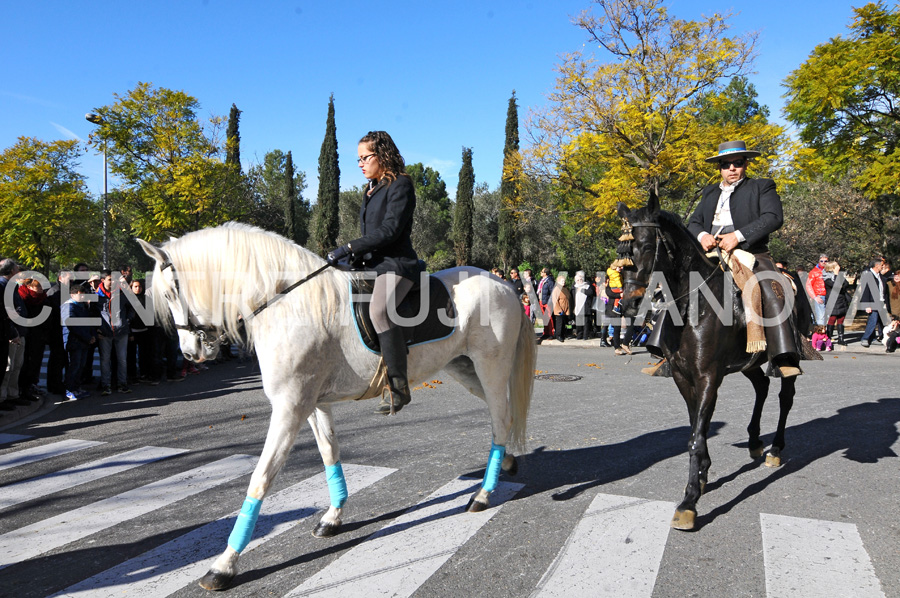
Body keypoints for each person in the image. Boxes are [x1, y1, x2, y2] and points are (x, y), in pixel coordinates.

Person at [686, 140, 802, 377]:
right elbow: (694, 222)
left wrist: (737, 236)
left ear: (746, 164)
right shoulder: (709, 192)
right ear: (719, 167)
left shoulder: (762, 187)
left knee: (771, 290)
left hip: (751, 253)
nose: (731, 168)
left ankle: (783, 356)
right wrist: (703, 235)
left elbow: (773, 217)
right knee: (675, 287)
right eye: (726, 164)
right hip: (711, 254)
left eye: (737, 163)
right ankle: (665, 351)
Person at [326, 131, 422, 415]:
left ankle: (398, 386)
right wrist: (351, 256)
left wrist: (348, 246)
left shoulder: (401, 185)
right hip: (372, 264)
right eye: (358, 159)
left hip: (397, 264)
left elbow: (390, 231)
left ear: (383, 155)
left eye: (365, 157)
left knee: (379, 311)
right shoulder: (371, 190)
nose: (360, 164)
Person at [96, 269, 133, 395]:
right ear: (103, 280)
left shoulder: (122, 293)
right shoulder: (96, 295)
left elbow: (132, 307)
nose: (113, 282)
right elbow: (92, 313)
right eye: (110, 279)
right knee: (105, 359)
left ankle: (122, 383)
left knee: (122, 359)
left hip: (121, 331)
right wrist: (97, 329)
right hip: (104, 333)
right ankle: (106, 385)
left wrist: (127, 320)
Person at [61, 282, 97, 400]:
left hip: (83, 342)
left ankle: (76, 388)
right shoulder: (69, 306)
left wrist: (91, 336)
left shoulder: (82, 306)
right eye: (80, 295)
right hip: (74, 341)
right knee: (74, 366)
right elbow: (72, 325)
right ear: (72, 295)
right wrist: (87, 337)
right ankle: (69, 389)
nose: (82, 297)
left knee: (80, 366)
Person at [859, 258, 888, 348]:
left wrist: (885, 302)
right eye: (882, 265)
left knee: (880, 321)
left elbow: (884, 291)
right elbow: (865, 291)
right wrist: (866, 305)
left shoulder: (881, 277)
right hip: (872, 302)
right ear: (877, 265)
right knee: (873, 320)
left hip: (880, 302)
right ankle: (865, 338)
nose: (883, 267)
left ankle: (875, 338)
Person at [822, 261, 850, 345]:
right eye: (837, 266)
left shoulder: (840, 276)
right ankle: (828, 338)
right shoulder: (827, 278)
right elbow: (836, 286)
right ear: (833, 268)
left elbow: (846, 284)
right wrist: (837, 276)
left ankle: (841, 338)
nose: (839, 267)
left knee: (841, 319)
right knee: (832, 319)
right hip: (833, 301)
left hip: (841, 300)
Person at [806, 254, 828, 325]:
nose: (823, 262)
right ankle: (821, 334)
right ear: (819, 261)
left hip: (829, 295)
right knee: (820, 317)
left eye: (825, 261)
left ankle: (826, 334)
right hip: (820, 296)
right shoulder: (813, 272)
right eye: (821, 261)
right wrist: (814, 297)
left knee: (828, 317)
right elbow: (808, 285)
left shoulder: (830, 271)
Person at [572, 270, 594, 340]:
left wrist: (581, 290)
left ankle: (585, 336)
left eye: (581, 278)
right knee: (578, 323)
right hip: (577, 307)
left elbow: (590, 293)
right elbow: (572, 297)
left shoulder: (587, 285)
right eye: (578, 279)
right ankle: (579, 335)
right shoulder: (574, 287)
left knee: (586, 323)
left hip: (586, 307)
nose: (580, 280)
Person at [550, 274, 572, 342]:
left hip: (566, 308)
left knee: (564, 323)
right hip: (560, 309)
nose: (564, 282)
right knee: (559, 323)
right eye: (562, 281)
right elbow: (555, 301)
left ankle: (563, 334)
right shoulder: (556, 289)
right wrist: (559, 310)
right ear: (558, 281)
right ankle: (558, 335)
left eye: (564, 281)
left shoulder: (565, 288)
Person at [536, 267, 555, 342]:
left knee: (549, 318)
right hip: (541, 301)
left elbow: (552, 293)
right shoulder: (542, 281)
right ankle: (545, 332)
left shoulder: (549, 281)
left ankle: (551, 333)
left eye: (542, 272)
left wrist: (549, 302)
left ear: (545, 273)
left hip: (547, 302)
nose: (540, 273)